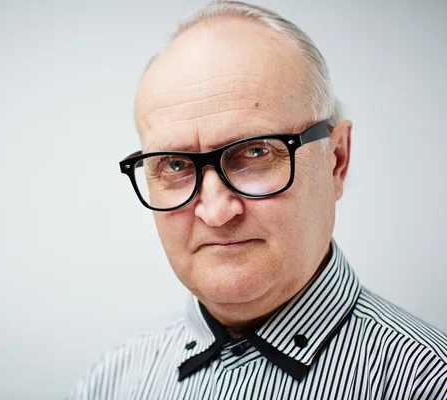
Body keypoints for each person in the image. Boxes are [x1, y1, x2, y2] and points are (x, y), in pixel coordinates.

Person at [68, 1, 447, 398]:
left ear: (337, 159)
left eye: (255, 152)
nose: (216, 212)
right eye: (176, 164)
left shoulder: (427, 382)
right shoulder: (112, 381)